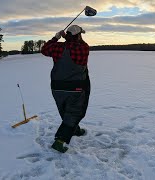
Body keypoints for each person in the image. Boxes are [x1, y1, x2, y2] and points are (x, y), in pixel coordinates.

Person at [41, 25, 91, 153]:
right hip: (76, 87)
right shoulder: (83, 48)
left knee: (66, 111)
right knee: (75, 112)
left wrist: (56, 37)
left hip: (57, 87)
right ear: (79, 36)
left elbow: (44, 49)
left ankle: (75, 130)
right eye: (81, 35)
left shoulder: (57, 47)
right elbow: (81, 44)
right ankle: (60, 140)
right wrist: (68, 38)